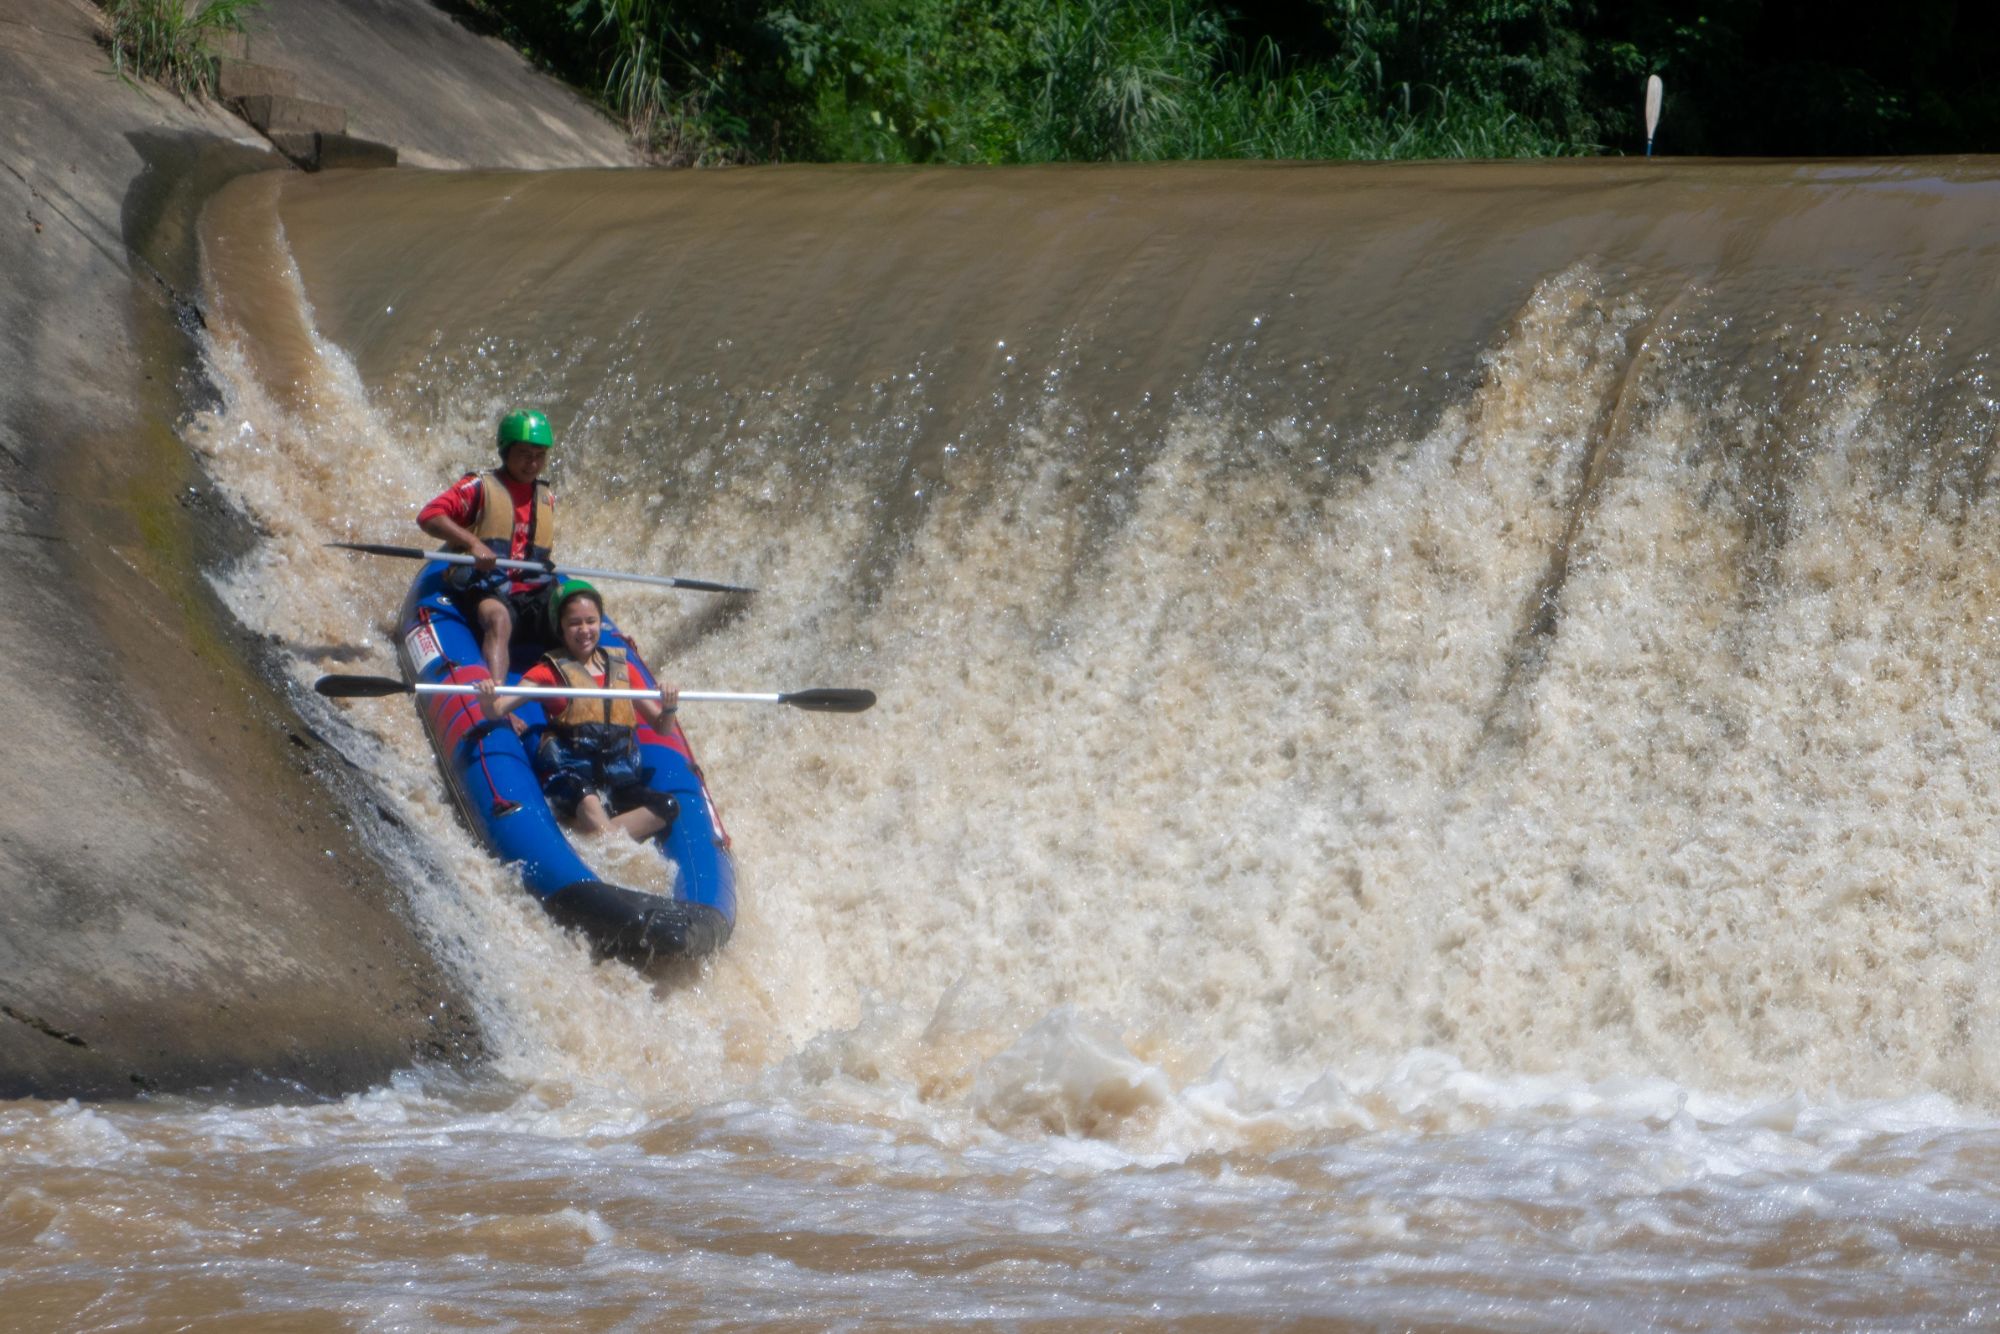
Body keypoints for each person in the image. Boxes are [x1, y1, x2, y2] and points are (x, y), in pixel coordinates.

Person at [475, 579, 681, 843]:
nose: (584, 630)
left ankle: (586, 835)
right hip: (572, 776)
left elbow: (662, 727)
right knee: (588, 798)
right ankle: (603, 841)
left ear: (600, 623)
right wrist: (487, 698)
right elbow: (497, 710)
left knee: (668, 807)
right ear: (560, 628)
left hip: (618, 778)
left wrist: (670, 705)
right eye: (574, 623)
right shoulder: (547, 672)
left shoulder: (624, 671)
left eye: (591, 621)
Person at [417, 408, 560, 689]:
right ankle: (495, 696)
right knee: (499, 619)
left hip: (531, 588)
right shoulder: (478, 487)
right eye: (524, 455)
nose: (532, 464)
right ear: (506, 451)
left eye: (539, 456)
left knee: (575, 613)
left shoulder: (546, 497)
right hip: (487, 585)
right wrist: (473, 543)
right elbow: (429, 516)